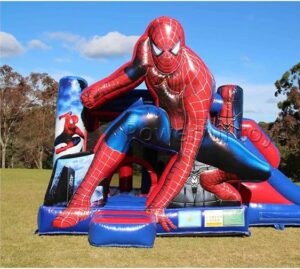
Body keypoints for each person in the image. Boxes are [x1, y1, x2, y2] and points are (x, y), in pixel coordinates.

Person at [53, 16, 271, 231]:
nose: (166, 57)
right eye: (160, 51)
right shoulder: (146, 49)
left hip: (201, 136)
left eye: (172, 50)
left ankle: (213, 180)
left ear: (181, 46)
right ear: (152, 45)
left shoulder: (196, 75)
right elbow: (132, 73)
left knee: (261, 170)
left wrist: (158, 206)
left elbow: (186, 157)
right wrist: (100, 91)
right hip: (165, 126)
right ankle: (81, 198)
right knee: (132, 120)